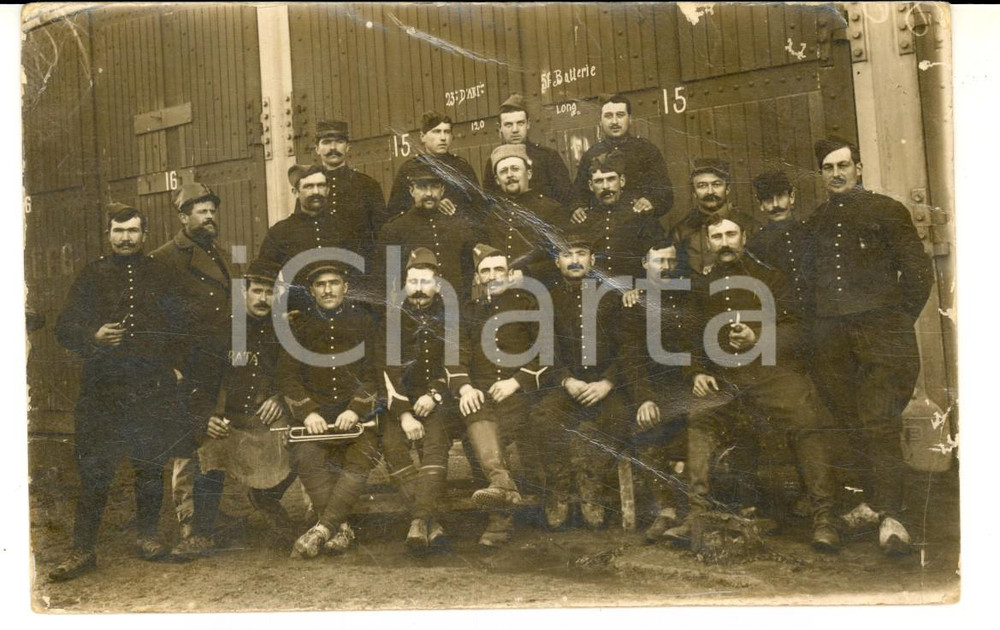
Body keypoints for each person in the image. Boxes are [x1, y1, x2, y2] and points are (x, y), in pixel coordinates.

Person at [665, 214, 841, 552]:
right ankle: (697, 518)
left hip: (770, 374)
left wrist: (757, 337)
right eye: (717, 237)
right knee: (699, 417)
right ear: (709, 242)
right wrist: (697, 372)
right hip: (725, 377)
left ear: (745, 237)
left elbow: (798, 331)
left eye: (731, 234)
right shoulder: (702, 285)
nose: (725, 243)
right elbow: (688, 337)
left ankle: (825, 518)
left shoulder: (771, 278)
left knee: (806, 417)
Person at [806, 138, 934, 555]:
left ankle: (893, 517)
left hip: (881, 336)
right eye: (828, 168)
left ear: (858, 168)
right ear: (821, 174)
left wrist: (894, 322)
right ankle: (873, 503)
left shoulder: (886, 210)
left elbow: (917, 274)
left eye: (844, 165)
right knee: (850, 419)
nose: (837, 173)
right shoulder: (818, 220)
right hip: (835, 342)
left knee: (880, 421)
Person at [49, 204, 182, 581]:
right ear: (109, 234)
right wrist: (93, 334)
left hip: (147, 389)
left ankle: (147, 536)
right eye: (119, 231)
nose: (126, 238)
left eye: (133, 231)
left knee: (149, 466)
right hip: (102, 390)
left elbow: (179, 325)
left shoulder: (161, 274)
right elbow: (63, 327)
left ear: (146, 235)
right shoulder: (92, 274)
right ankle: (83, 548)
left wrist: (172, 363)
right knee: (95, 470)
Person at [184, 259, 298, 553]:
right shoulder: (222, 329)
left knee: (300, 439)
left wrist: (280, 397)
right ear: (244, 293)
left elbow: (293, 372)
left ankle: (267, 498)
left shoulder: (281, 330)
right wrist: (204, 417)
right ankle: (202, 530)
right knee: (210, 445)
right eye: (257, 291)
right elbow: (197, 381)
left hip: (264, 416)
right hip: (228, 419)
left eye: (269, 293)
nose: (263, 299)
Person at [150, 182, 234, 556]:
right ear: (183, 217)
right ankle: (190, 529)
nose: (209, 215)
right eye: (200, 210)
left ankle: (207, 526)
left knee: (213, 443)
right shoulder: (166, 258)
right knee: (188, 448)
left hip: (217, 362)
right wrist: (173, 367)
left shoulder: (220, 253)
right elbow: (156, 322)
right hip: (188, 368)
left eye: (212, 209)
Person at [277, 260, 380, 559]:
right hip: (316, 419)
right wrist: (308, 412)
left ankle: (322, 529)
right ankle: (341, 528)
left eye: (333, 283)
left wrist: (356, 410)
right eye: (320, 285)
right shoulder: (298, 327)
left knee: (360, 460)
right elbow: (287, 376)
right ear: (311, 291)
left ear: (345, 288)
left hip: (355, 417)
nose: (327, 289)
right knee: (308, 459)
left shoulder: (364, 323)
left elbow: (374, 374)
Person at [531, 235, 630, 530]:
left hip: (604, 384)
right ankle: (559, 490)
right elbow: (545, 348)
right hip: (568, 384)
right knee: (542, 418)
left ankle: (592, 490)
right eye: (566, 255)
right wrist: (565, 380)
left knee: (619, 417)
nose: (574, 260)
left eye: (581, 252)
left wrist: (608, 382)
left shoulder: (613, 296)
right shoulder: (547, 298)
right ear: (556, 261)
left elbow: (628, 347)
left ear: (592, 260)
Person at [449, 244, 544, 546]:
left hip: (521, 394)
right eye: (485, 271)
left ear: (509, 272)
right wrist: (465, 387)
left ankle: (499, 515)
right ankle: (503, 490)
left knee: (481, 436)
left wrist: (516, 382)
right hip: (484, 393)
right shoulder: (468, 310)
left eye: (498, 269)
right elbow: (457, 355)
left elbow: (546, 354)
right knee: (473, 414)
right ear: (477, 276)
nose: (492, 276)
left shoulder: (529, 304)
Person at [619, 240, 699, 543]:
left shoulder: (689, 299)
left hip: (685, 384)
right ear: (644, 263)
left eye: (669, 261)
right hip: (651, 388)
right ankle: (665, 509)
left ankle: (691, 511)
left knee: (694, 427)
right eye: (658, 261)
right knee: (644, 428)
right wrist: (644, 397)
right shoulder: (633, 303)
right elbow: (630, 357)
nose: (664, 268)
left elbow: (696, 347)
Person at [379, 248, 457, 553]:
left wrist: (434, 394)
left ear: (437, 285)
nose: (420, 289)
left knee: (436, 440)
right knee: (393, 444)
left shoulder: (449, 317)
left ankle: (418, 520)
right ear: (404, 285)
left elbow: (455, 361)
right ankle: (428, 521)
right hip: (398, 405)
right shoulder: (390, 318)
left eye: (426, 281)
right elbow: (383, 368)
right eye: (413, 282)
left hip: (436, 400)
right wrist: (404, 414)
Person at [377, 162, 479, 298]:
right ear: (411, 190)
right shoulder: (394, 229)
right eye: (422, 187)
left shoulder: (460, 226)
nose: (429, 193)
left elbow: (468, 273)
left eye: (434, 187)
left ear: (442, 190)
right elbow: (387, 281)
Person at [481, 143, 573, 285]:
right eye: (503, 171)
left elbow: (563, 259)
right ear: (497, 180)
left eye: (515, 169)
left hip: (541, 292)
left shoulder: (551, 210)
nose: (510, 175)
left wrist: (528, 273)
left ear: (529, 173)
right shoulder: (493, 214)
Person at [570, 94, 673, 220]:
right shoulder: (592, 153)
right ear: (600, 121)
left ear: (630, 119)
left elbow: (665, 193)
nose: (614, 122)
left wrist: (651, 201)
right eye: (608, 116)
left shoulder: (646, 150)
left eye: (620, 115)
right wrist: (577, 207)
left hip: (638, 224)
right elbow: (579, 192)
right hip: (602, 225)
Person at [578, 151, 666, 285]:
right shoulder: (584, 218)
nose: (606, 186)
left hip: (634, 292)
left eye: (611, 179)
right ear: (591, 186)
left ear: (622, 181)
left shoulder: (641, 215)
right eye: (599, 181)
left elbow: (659, 260)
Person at [668, 159, 760, 276]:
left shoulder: (751, 226)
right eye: (702, 186)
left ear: (727, 189)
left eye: (716, 184)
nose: (710, 192)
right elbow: (674, 276)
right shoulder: (680, 232)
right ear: (694, 192)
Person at [385, 111, 481, 222]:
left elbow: (478, 208)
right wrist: (431, 203)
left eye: (447, 132)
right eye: (436, 132)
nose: (443, 138)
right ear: (422, 136)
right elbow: (395, 212)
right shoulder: (409, 169)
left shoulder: (462, 168)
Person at [482, 94, 572, 205]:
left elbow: (565, 198)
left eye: (520, 123)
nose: (515, 130)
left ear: (528, 124)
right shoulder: (493, 162)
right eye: (508, 125)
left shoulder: (548, 157)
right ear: (499, 127)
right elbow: (489, 204)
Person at [746, 171, 813, 315]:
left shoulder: (812, 233)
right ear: (760, 204)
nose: (775, 205)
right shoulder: (755, 246)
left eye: (781, 196)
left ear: (792, 197)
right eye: (768, 199)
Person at [311, 119, 386, 242]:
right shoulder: (308, 187)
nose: (333, 148)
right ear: (317, 149)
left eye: (339, 142)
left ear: (347, 147)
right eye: (326, 142)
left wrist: (391, 261)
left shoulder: (368, 185)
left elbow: (384, 235)